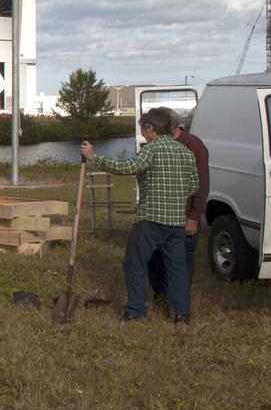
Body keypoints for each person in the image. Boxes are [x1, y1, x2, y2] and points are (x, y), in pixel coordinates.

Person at [80, 107, 198, 323]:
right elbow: (193, 186)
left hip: (149, 220)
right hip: (175, 223)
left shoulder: (151, 150)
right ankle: (181, 314)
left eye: (143, 128)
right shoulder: (186, 152)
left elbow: (128, 167)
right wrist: (173, 196)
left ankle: (136, 311)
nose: (142, 132)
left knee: (134, 264)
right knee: (177, 268)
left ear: (151, 128)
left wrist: (93, 156)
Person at [147, 111, 209, 301]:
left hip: (183, 216)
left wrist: (193, 218)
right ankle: (160, 292)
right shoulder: (156, 144)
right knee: (154, 256)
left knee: (180, 260)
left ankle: (178, 299)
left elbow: (201, 185)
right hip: (158, 216)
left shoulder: (193, 145)